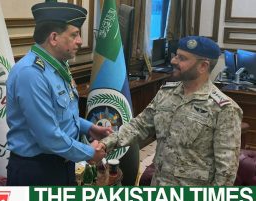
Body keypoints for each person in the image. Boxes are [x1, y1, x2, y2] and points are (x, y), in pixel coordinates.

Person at [100, 36, 243, 186]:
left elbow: (226, 172)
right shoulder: (166, 93)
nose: (174, 61)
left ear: (203, 66)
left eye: (182, 58)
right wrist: (105, 144)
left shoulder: (224, 109)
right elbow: (138, 126)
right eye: (176, 55)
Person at [6, 1, 111, 186]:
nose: (80, 40)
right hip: (37, 170)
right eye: (74, 34)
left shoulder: (57, 66)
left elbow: (60, 115)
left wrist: (89, 127)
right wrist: (89, 152)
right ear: (54, 37)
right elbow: (48, 136)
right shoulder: (31, 74)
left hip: (62, 162)